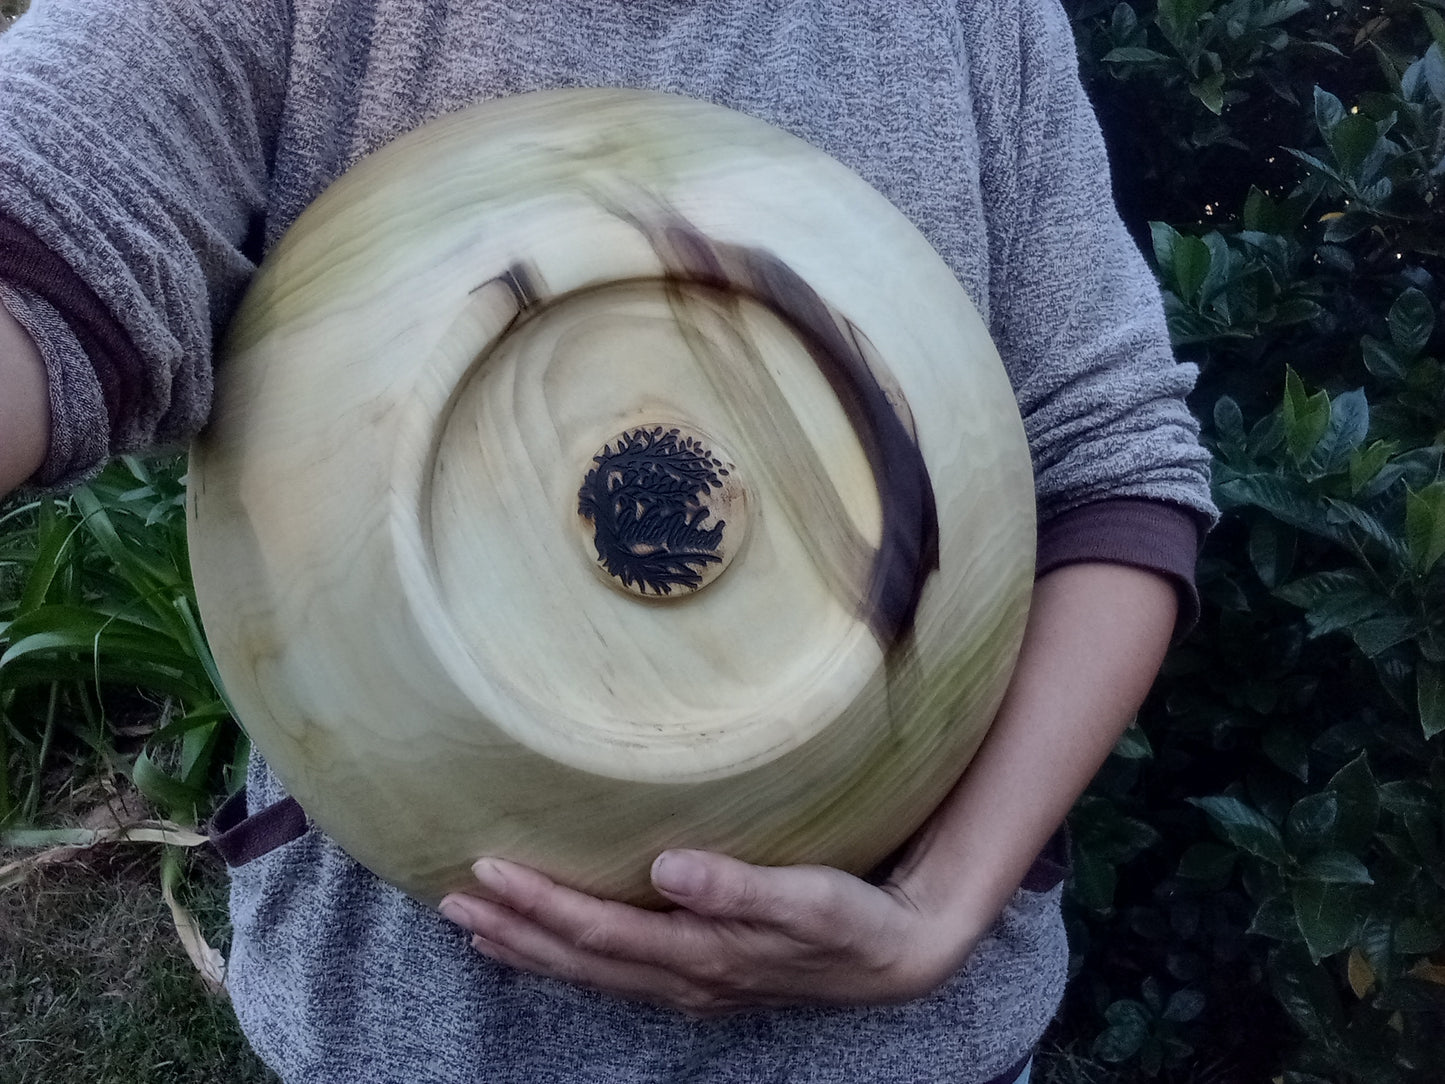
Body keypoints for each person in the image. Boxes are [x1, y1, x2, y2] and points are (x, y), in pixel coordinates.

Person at [0, 0, 1214, 1080]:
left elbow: (1113, 467)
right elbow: (43, 210)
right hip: (417, 1039)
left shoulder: (969, 21)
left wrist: (940, 910)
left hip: (912, 1043)